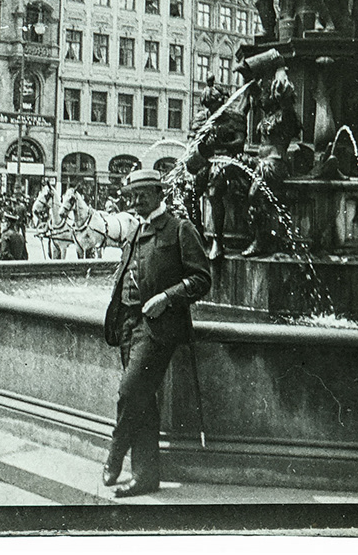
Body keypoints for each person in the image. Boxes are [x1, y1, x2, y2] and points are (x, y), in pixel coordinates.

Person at [100, 169, 210, 499]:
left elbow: (202, 279)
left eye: (141, 195)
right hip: (128, 325)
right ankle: (146, 477)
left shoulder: (179, 229)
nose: (134, 201)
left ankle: (115, 453)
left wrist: (166, 298)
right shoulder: (136, 231)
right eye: (130, 195)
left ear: (159, 193)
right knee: (142, 399)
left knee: (130, 391)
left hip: (157, 328)